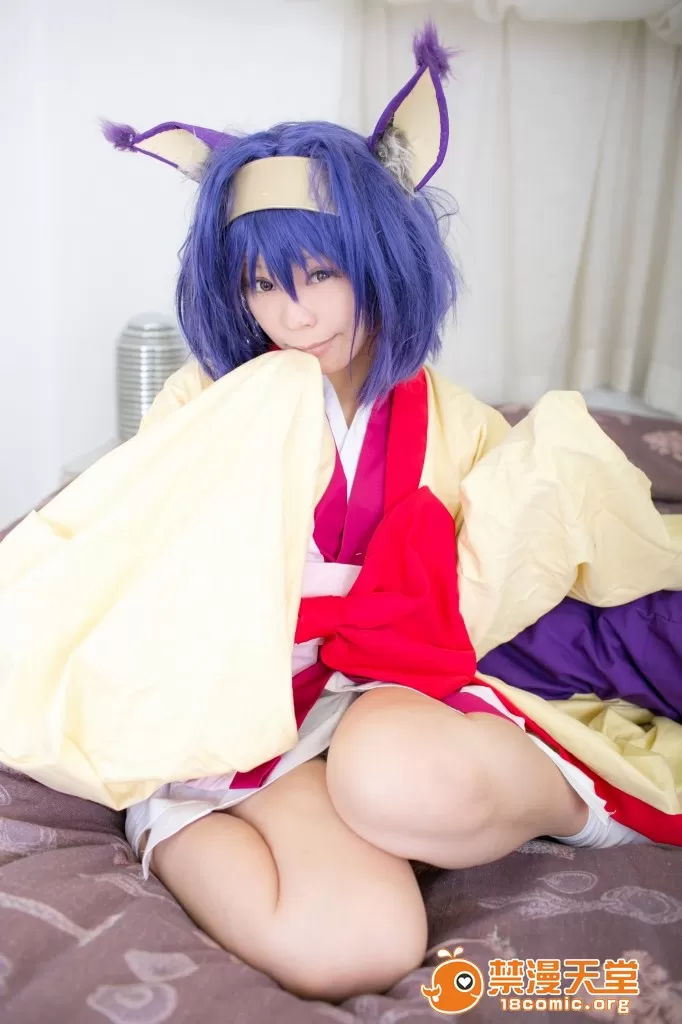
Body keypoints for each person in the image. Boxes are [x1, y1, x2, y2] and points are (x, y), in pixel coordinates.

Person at [97, 24, 670, 1003]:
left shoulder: (453, 417)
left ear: (379, 259)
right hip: (240, 713)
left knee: (398, 783)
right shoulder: (204, 400)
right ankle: (171, 829)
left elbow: (514, 576)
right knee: (363, 946)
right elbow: (150, 569)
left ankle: (578, 811)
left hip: (370, 704)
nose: (294, 315)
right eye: (263, 283)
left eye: (320, 273)